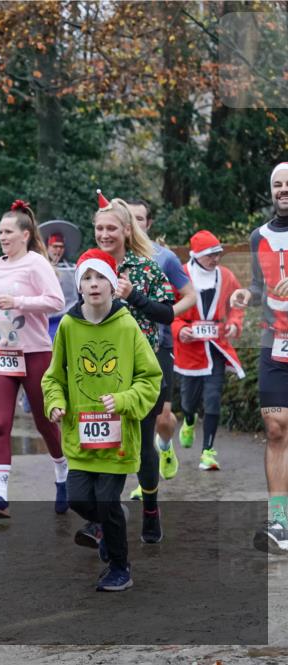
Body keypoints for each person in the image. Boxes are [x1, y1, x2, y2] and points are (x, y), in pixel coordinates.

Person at [42, 249, 163, 592]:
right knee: (80, 499)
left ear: (112, 285)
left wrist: (124, 400)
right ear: (79, 287)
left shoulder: (127, 325)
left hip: (118, 437)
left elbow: (150, 377)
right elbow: (53, 377)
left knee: (107, 501)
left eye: (100, 278)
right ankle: (111, 524)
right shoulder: (68, 325)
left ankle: (120, 567)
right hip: (80, 436)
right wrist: (55, 402)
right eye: (87, 279)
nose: (94, 285)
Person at [0, 200, 67, 518]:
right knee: (0, 424)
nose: (2, 236)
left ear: (25, 235)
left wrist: (19, 301)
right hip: (2, 354)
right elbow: (3, 305)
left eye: (8, 231)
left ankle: (62, 474)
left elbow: (56, 301)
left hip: (36, 352)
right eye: (0, 231)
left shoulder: (37, 263)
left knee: (44, 422)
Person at [90, 190, 174, 544]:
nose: (105, 235)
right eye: (100, 229)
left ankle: (151, 509)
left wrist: (132, 295)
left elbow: (167, 314)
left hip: (143, 371)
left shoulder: (145, 268)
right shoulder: (89, 267)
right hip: (99, 369)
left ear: (126, 231)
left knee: (140, 446)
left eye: (112, 228)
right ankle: (101, 517)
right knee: (102, 442)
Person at [230, 162, 288, 553]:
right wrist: (245, 296)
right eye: (277, 185)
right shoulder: (259, 236)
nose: (283, 190)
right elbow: (256, 282)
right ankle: (280, 523)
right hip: (275, 342)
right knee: (275, 429)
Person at [128, 199, 198, 481]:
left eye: (140, 219)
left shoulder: (164, 257)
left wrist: (168, 314)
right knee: (130, 417)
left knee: (162, 418)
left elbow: (190, 295)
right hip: (123, 346)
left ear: (149, 223)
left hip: (160, 343)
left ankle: (166, 447)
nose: (135, 224)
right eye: (130, 219)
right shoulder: (115, 256)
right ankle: (141, 478)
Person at [172, 231, 244, 471]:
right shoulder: (180, 275)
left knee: (213, 400)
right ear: (197, 255)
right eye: (211, 255)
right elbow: (168, 310)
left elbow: (236, 306)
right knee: (188, 402)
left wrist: (234, 324)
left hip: (216, 348)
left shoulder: (226, 276)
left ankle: (208, 452)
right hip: (190, 350)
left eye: (218, 254)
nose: (216, 259)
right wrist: (179, 329)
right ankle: (189, 420)